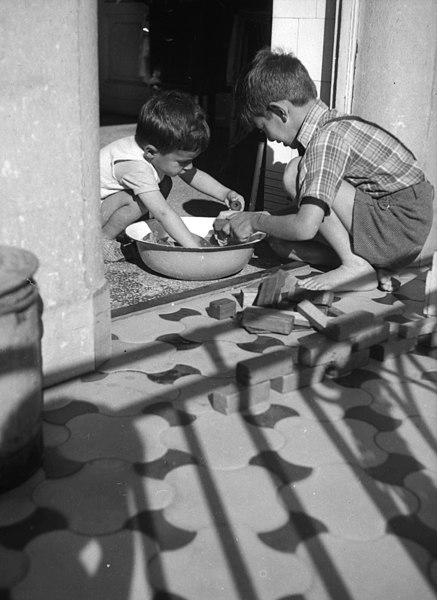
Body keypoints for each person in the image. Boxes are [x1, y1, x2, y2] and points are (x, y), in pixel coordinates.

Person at [218, 48, 434, 292]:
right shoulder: (329, 126)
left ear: (280, 112)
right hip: (392, 226)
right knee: (279, 242)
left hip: (397, 227)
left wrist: (256, 220)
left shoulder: (325, 140)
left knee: (295, 172)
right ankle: (371, 266)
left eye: (262, 127)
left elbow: (305, 226)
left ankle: (354, 266)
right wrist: (255, 220)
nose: (267, 136)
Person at [100, 90, 244, 261]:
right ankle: (103, 242)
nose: (188, 166)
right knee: (136, 200)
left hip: (107, 206)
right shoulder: (135, 167)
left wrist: (225, 194)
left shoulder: (156, 151)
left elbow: (193, 174)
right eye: (182, 162)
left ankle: (125, 230)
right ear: (151, 152)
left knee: (164, 183)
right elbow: (163, 213)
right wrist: (193, 246)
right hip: (93, 215)